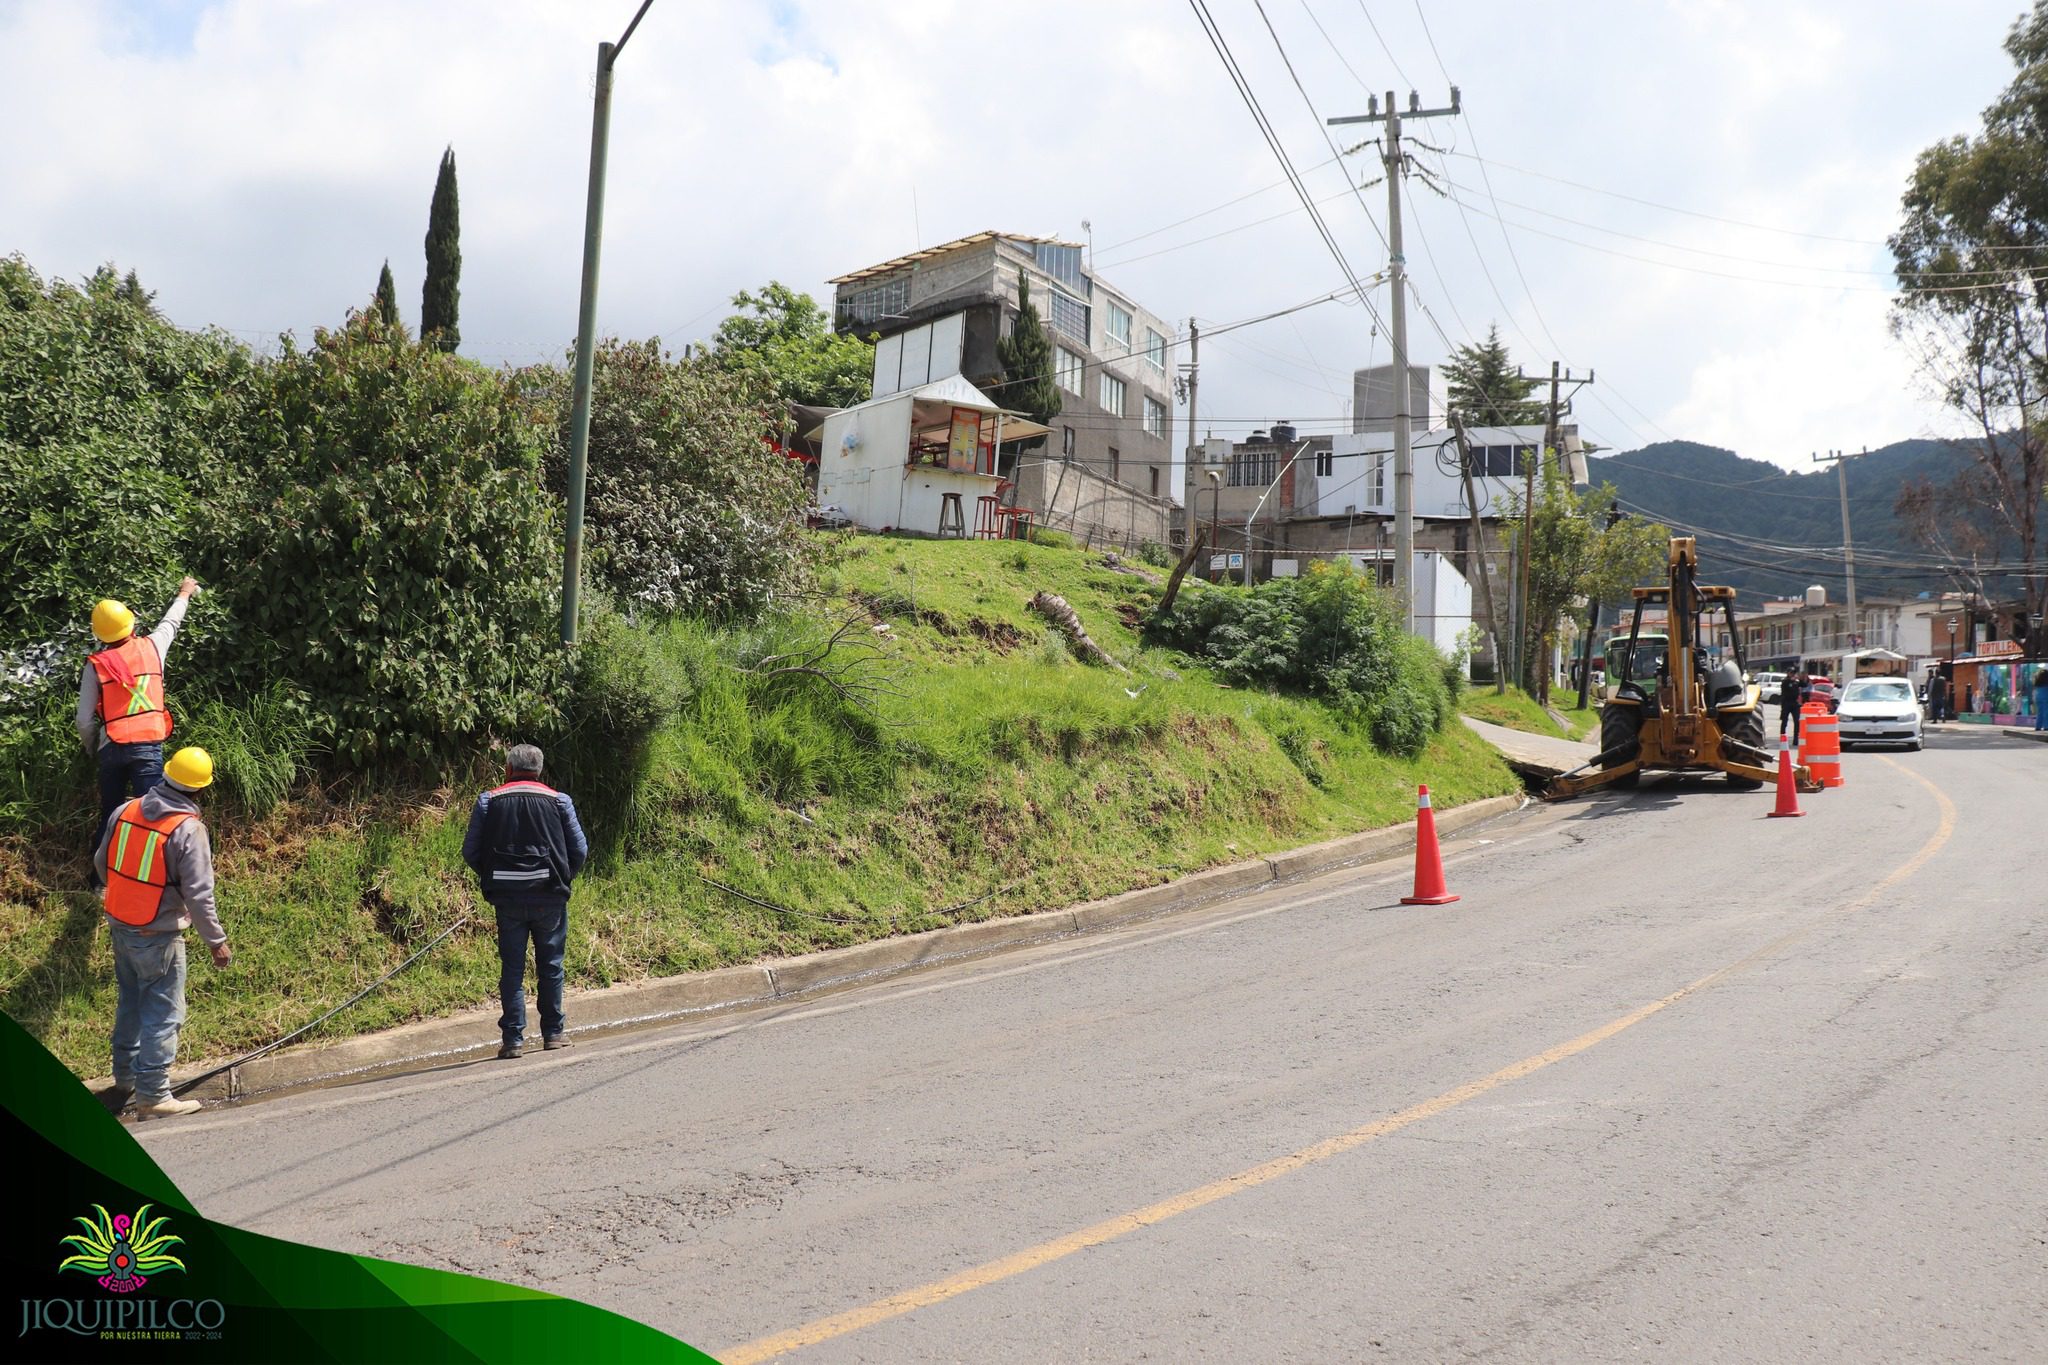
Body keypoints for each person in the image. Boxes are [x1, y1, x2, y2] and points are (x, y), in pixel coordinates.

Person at [91, 745, 231, 1119]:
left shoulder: (126, 809)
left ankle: (125, 1079)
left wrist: (127, 899)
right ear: (200, 790)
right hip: (158, 934)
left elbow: (101, 864)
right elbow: (199, 895)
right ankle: (153, 1095)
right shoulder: (188, 829)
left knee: (131, 1003)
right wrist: (216, 942)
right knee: (163, 1013)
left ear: (166, 774)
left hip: (120, 924)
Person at [462, 744, 588, 1060]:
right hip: (550, 897)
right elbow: (580, 850)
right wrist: (560, 877)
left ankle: (513, 1040)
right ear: (539, 770)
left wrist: (497, 877)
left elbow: (471, 851)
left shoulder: (488, 801)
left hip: (508, 900)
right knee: (551, 965)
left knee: (512, 969)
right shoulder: (560, 801)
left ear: (507, 769)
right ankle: (554, 1034)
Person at [78, 579, 199, 834]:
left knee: (110, 815)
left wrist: (92, 750)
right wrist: (185, 592)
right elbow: (171, 621)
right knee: (152, 816)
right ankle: (148, 871)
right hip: (147, 746)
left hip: (110, 746)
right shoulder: (153, 645)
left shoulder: (95, 665)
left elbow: (84, 721)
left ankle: (101, 874)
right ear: (130, 623)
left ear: (100, 634)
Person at [1777, 666, 1806, 745]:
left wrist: (1802, 678)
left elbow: (1804, 684)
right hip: (1786, 703)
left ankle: (1796, 739)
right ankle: (1782, 737)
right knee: (1784, 720)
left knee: (1797, 721)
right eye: (1790, 673)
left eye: (1793, 673)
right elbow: (1785, 684)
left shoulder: (1796, 681)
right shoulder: (1785, 681)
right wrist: (1790, 680)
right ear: (1788, 673)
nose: (1792, 674)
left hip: (1794, 703)